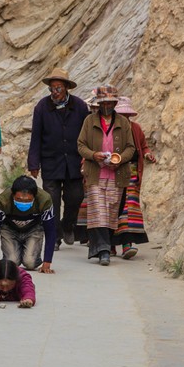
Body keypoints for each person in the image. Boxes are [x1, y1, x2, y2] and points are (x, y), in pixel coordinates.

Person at [27, 68, 89, 249]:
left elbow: (87, 134)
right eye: (52, 88)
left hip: (74, 162)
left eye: (59, 88)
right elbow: (36, 136)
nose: (55, 92)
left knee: (75, 197)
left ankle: (67, 225)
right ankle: (54, 236)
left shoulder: (79, 106)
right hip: (50, 161)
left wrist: (88, 157)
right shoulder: (42, 107)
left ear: (66, 88)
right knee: (51, 201)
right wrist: (33, 163)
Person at [77, 85, 136, 266]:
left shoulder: (123, 123)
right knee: (98, 213)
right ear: (99, 104)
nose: (107, 106)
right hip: (95, 173)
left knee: (111, 212)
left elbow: (131, 148)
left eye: (110, 103)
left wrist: (120, 159)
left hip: (116, 175)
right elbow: (81, 145)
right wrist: (94, 155)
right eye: (104, 103)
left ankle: (105, 246)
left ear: (115, 103)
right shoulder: (89, 121)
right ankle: (103, 251)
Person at [112, 96, 156, 259]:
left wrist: (147, 154)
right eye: (121, 115)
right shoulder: (111, 129)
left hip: (131, 172)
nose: (124, 118)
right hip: (113, 171)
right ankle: (110, 245)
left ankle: (127, 244)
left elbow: (143, 146)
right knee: (113, 206)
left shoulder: (135, 128)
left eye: (126, 115)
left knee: (129, 208)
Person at [0, 176, 56, 273]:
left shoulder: (44, 200)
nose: (23, 202)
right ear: (12, 195)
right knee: (12, 262)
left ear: (34, 196)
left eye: (28, 200)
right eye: (19, 199)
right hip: (9, 230)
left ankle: (30, 253)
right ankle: (16, 252)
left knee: (30, 263)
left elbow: (50, 231)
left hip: (33, 230)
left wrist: (47, 262)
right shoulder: (3, 200)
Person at [75, 93, 99, 245]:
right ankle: (86, 234)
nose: (96, 110)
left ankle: (93, 235)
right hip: (88, 164)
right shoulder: (86, 122)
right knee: (86, 200)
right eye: (94, 107)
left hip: (99, 164)